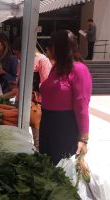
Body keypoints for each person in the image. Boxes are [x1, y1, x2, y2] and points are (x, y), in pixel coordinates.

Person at [39, 30, 92, 165]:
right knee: (46, 165)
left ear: (61, 47)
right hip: (47, 123)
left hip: (65, 127)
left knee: (61, 169)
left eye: (52, 45)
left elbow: (82, 105)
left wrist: (83, 139)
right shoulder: (56, 68)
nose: (48, 48)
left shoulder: (79, 69)